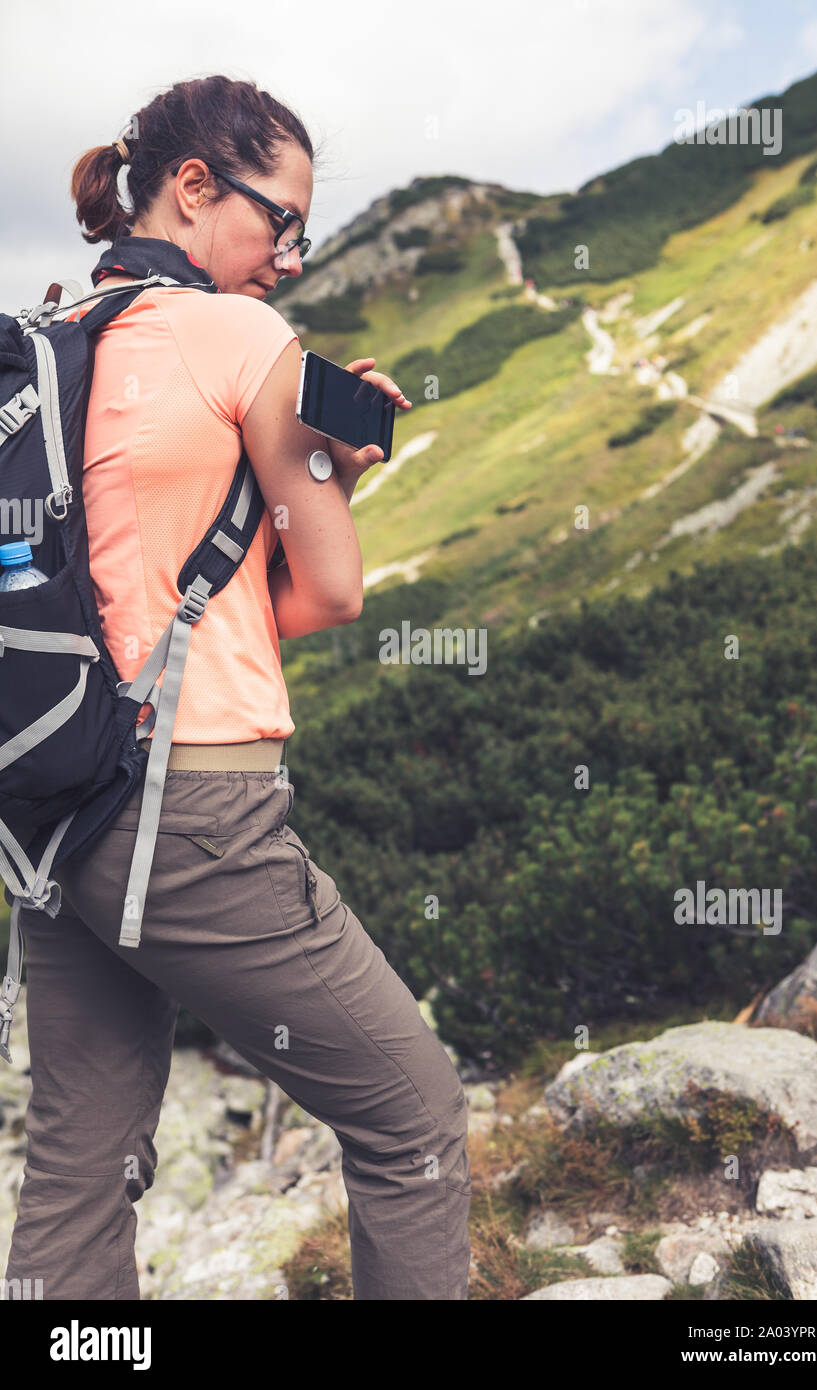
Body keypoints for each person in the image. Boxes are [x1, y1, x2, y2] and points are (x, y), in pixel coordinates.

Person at [3, 75, 471, 1301]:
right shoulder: (244, 341)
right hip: (196, 814)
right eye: (281, 221)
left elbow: (142, 580)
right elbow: (325, 595)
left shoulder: (54, 337)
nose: (291, 257)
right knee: (410, 1111)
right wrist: (328, 475)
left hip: (55, 808)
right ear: (196, 187)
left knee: (78, 1170)